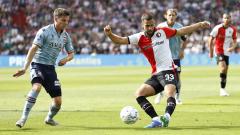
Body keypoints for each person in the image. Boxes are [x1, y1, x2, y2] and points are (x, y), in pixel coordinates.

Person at [104, 12, 210, 128]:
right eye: (147, 26)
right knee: (139, 94)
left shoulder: (162, 31)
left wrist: (199, 24)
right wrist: (110, 34)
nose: (150, 28)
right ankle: (156, 120)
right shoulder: (139, 38)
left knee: (169, 93)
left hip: (169, 70)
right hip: (156, 74)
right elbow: (120, 40)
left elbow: (182, 31)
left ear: (154, 23)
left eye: (151, 25)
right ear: (142, 25)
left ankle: (166, 117)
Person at [13, 8, 74, 128]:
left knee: (58, 102)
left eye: (67, 21)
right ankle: (23, 118)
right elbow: (33, 49)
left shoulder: (66, 36)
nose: (66, 23)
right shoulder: (44, 31)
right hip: (38, 65)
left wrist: (66, 59)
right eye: (63, 20)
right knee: (36, 88)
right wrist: (25, 68)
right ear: (55, 19)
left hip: (50, 69)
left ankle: (49, 119)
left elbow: (71, 54)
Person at [154, 9, 187, 105]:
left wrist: (182, 50)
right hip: (163, 57)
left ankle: (177, 97)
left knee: (177, 77)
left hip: (175, 56)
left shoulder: (179, 27)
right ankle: (160, 94)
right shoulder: (160, 27)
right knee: (160, 77)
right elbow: (155, 41)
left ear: (176, 16)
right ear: (165, 16)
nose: (171, 17)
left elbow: (185, 39)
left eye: (173, 15)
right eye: (169, 15)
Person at [208, 13, 237, 96]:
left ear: (231, 19)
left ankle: (222, 89)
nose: (226, 20)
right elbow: (210, 40)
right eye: (225, 18)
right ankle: (222, 90)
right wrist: (211, 53)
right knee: (223, 68)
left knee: (225, 72)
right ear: (222, 19)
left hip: (227, 52)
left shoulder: (232, 29)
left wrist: (232, 48)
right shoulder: (217, 28)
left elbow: (235, 42)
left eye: (228, 18)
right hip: (218, 51)